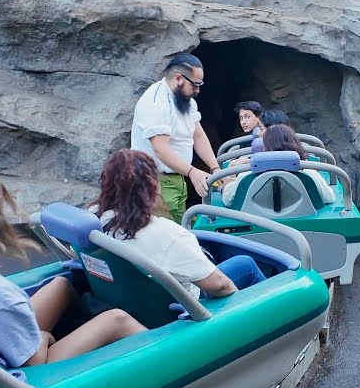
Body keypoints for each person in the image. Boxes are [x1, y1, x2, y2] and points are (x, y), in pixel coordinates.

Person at [0, 166, 145, 367]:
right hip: (30, 368)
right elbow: (34, 361)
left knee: (62, 285)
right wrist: (44, 338)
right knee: (117, 319)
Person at [93, 150, 265, 298]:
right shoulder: (165, 232)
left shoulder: (96, 220)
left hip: (135, 299)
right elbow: (220, 285)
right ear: (153, 185)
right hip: (187, 307)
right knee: (245, 264)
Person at [130, 53, 222, 223]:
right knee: (163, 234)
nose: (198, 90)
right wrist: (193, 172)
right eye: (195, 85)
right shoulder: (156, 102)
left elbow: (198, 135)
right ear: (179, 78)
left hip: (178, 179)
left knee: (181, 227)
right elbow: (160, 149)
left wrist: (215, 169)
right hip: (155, 182)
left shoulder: (185, 101)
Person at [221, 124, 336, 206]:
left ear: (265, 147)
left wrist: (231, 168)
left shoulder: (246, 174)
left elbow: (228, 200)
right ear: (294, 144)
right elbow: (329, 197)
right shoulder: (310, 173)